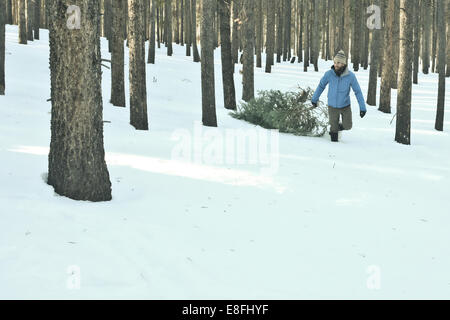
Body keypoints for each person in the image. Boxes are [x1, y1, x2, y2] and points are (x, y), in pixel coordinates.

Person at [311, 50, 367, 142]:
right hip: (332, 106)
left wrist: (362, 108)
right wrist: (314, 99)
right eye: (335, 62)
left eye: (339, 63)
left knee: (348, 126)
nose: (336, 65)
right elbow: (321, 86)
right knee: (334, 135)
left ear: (344, 64)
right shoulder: (329, 74)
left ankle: (337, 127)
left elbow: (358, 92)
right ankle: (334, 149)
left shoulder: (350, 76)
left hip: (345, 106)